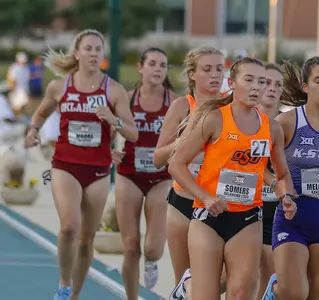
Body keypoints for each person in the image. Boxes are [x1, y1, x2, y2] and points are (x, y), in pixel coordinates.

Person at [169, 57, 297, 299]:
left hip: (247, 218)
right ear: (232, 83)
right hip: (208, 217)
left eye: (262, 82)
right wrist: (205, 198)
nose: (256, 87)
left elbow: (282, 175)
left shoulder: (272, 128)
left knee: (241, 293)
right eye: (248, 80)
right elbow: (177, 165)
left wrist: (286, 196)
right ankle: (188, 286)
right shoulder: (215, 119)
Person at [24, 29, 138, 300]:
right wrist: (32, 129)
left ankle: (74, 294)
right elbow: (41, 112)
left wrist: (113, 119)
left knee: (87, 239)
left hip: (97, 170)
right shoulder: (60, 86)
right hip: (65, 165)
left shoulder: (114, 90)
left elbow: (132, 133)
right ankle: (64, 285)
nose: (94, 53)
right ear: (77, 53)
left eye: (99, 49)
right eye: (89, 48)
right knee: (69, 227)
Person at [262, 56, 319, 300]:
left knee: (316, 295)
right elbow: (259, 166)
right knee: (294, 293)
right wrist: (280, 188)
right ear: (306, 86)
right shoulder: (287, 122)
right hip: (294, 218)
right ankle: (274, 291)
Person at [152, 46, 226, 299]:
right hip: (184, 204)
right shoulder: (183, 106)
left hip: (222, 204)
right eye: (207, 69)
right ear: (192, 74)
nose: (215, 74)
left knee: (220, 281)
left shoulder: (231, 105)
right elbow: (158, 158)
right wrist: (185, 141)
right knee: (185, 281)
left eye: (219, 68)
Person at [113, 47, 176, 298]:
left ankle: (151, 261)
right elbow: (106, 126)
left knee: (151, 248)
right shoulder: (128, 99)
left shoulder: (174, 102)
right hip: (129, 173)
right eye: (153, 64)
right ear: (141, 67)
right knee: (130, 247)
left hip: (161, 177)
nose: (158, 69)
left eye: (163, 65)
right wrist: (109, 151)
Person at [256, 63, 283, 299]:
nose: (272, 89)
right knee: (231, 279)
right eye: (266, 82)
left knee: (267, 281)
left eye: (278, 85)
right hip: (241, 205)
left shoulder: (288, 123)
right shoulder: (242, 119)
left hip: (276, 211)